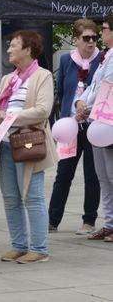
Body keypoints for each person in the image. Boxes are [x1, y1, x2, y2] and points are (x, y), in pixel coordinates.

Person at [0, 30, 57, 264]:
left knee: (32, 196)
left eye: (13, 45)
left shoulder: (42, 76)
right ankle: (19, 245)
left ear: (28, 50)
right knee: (10, 197)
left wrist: (9, 116)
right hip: (5, 144)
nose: (8, 50)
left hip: (29, 143)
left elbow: (42, 110)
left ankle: (39, 248)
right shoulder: (8, 79)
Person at [49, 19, 101, 234]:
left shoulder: (103, 60)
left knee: (92, 174)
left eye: (94, 38)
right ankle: (52, 219)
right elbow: (61, 91)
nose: (90, 42)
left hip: (94, 126)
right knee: (63, 173)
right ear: (76, 39)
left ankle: (89, 220)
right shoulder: (66, 60)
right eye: (86, 38)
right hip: (70, 126)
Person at [75, 15, 113, 242]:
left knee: (112, 174)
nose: (102, 33)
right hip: (96, 122)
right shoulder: (105, 57)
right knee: (103, 177)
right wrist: (80, 103)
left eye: (105, 29)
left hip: (108, 122)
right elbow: (93, 86)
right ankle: (109, 223)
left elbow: (107, 88)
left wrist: (87, 106)